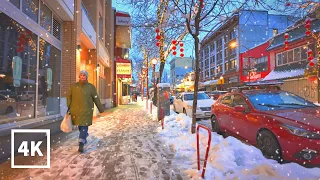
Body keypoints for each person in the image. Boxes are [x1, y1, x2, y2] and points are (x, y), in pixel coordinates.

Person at [67, 70, 105, 153]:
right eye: (81, 75)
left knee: (84, 125)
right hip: (76, 110)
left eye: (84, 75)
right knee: (80, 126)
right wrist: (69, 105)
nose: (82, 76)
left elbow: (96, 98)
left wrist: (100, 108)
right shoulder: (73, 87)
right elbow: (69, 96)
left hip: (87, 110)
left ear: (86, 77)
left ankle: (81, 143)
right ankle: (84, 136)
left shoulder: (91, 87)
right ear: (79, 76)